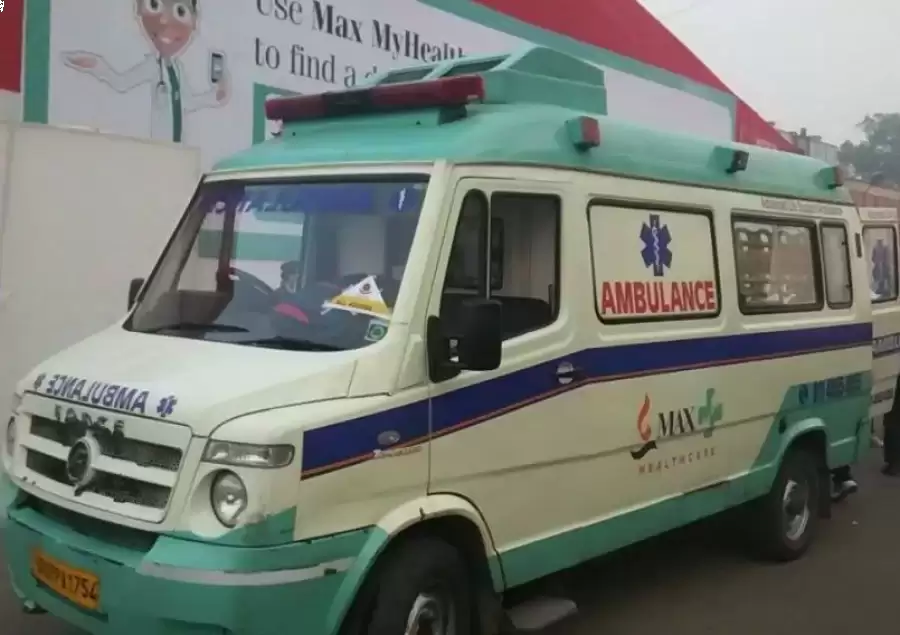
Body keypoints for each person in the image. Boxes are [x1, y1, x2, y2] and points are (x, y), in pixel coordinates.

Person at [61, 0, 229, 143]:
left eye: (180, 11)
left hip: (178, 147)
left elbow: (187, 102)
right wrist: (97, 66)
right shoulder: (152, 66)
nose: (165, 20)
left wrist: (214, 97)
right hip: (161, 145)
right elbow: (122, 82)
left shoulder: (178, 69)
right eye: (154, 5)